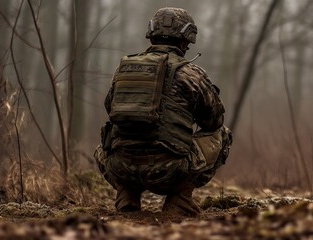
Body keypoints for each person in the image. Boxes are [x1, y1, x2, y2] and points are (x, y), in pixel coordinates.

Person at [94, 7, 231, 217]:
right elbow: (214, 121)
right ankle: (180, 200)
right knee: (222, 135)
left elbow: (109, 108)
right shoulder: (191, 74)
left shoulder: (123, 70)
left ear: (152, 35)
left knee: (104, 143)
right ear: (186, 41)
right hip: (169, 171)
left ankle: (127, 195)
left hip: (120, 167)